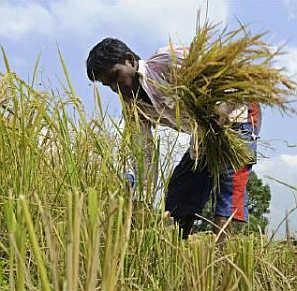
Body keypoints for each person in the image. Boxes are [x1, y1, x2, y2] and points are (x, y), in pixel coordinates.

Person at [86, 38, 261, 239]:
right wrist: (134, 189)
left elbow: (234, 74)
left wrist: (224, 106)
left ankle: (223, 264)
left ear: (130, 60)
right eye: (109, 86)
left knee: (228, 189)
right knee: (179, 195)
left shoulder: (167, 61)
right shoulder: (132, 106)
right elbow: (144, 153)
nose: (117, 88)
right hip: (203, 134)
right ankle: (177, 257)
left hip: (238, 116)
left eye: (116, 77)